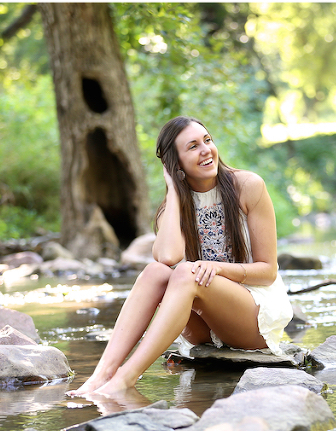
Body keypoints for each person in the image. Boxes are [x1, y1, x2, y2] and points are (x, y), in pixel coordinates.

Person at [68, 116, 293, 397]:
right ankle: (102, 374)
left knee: (187, 273)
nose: (206, 150)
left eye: (207, 141)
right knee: (154, 273)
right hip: (206, 328)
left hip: (251, 318)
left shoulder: (247, 186)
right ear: (175, 163)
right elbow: (167, 257)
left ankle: (126, 378)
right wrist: (174, 191)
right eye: (193, 147)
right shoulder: (171, 209)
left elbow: (267, 271)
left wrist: (217, 268)